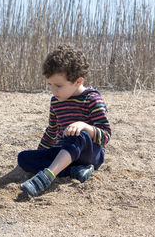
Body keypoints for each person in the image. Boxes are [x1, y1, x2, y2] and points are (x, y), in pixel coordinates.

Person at [18, 44, 111, 197]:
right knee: (24, 158)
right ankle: (74, 171)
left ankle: (47, 176)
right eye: (50, 85)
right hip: (64, 154)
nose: (54, 91)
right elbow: (52, 130)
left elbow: (106, 136)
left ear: (78, 81)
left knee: (76, 135)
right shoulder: (56, 101)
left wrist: (84, 126)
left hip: (89, 154)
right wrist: (41, 153)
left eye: (59, 86)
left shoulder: (92, 99)